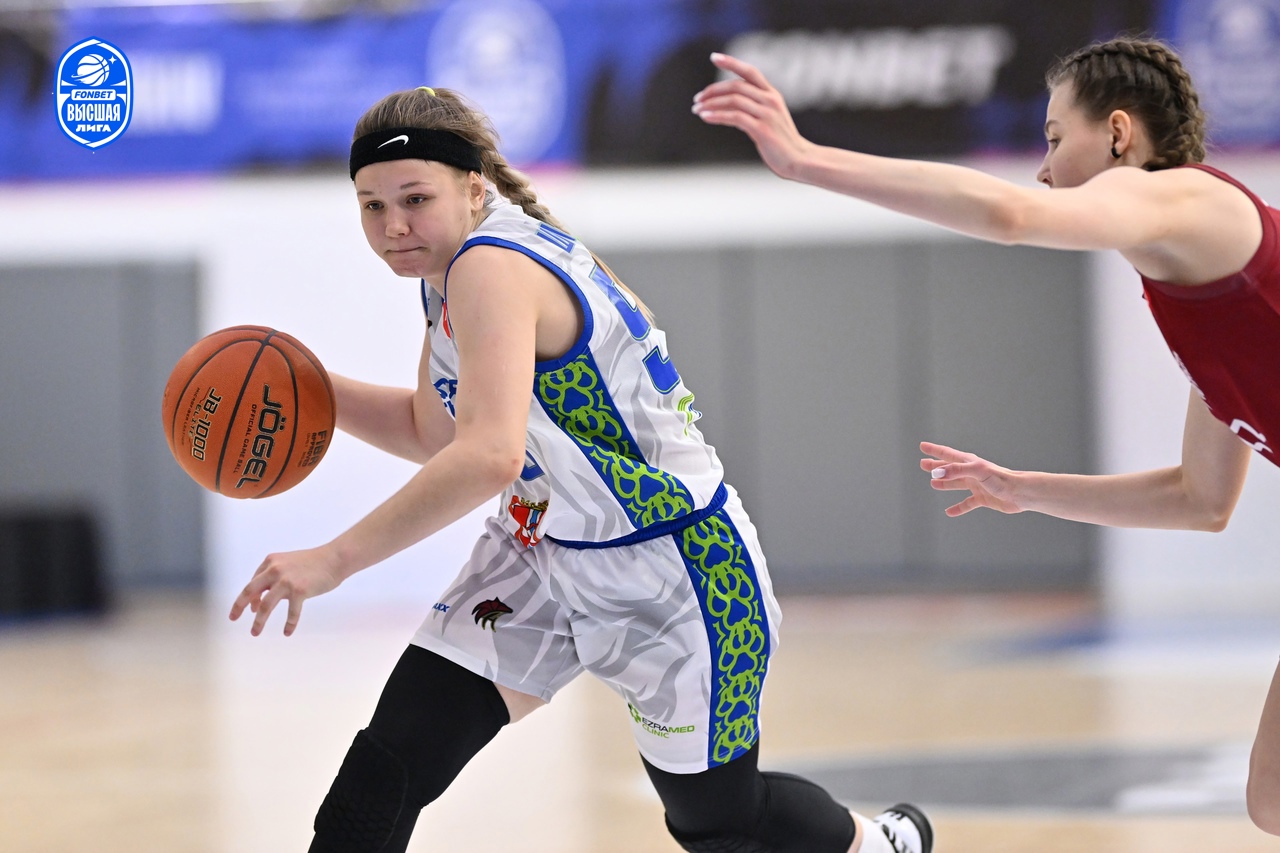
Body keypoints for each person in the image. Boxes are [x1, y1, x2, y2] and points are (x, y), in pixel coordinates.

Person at [227, 85, 933, 853]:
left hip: (674, 565)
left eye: (414, 199)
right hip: (540, 552)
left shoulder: (491, 266)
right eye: (372, 206)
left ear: (473, 188)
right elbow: (436, 431)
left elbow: (488, 455)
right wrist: (311, 387)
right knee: (388, 768)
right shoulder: (448, 274)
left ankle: (878, 844)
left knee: (720, 822)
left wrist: (334, 558)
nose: (393, 225)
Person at [693, 35, 1280, 835]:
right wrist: (1023, 488)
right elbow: (1201, 498)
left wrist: (806, 160)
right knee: (1272, 797)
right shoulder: (1196, 286)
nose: (1043, 168)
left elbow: (1009, 214)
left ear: (1118, 134)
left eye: (1054, 138)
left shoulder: (1182, 198)